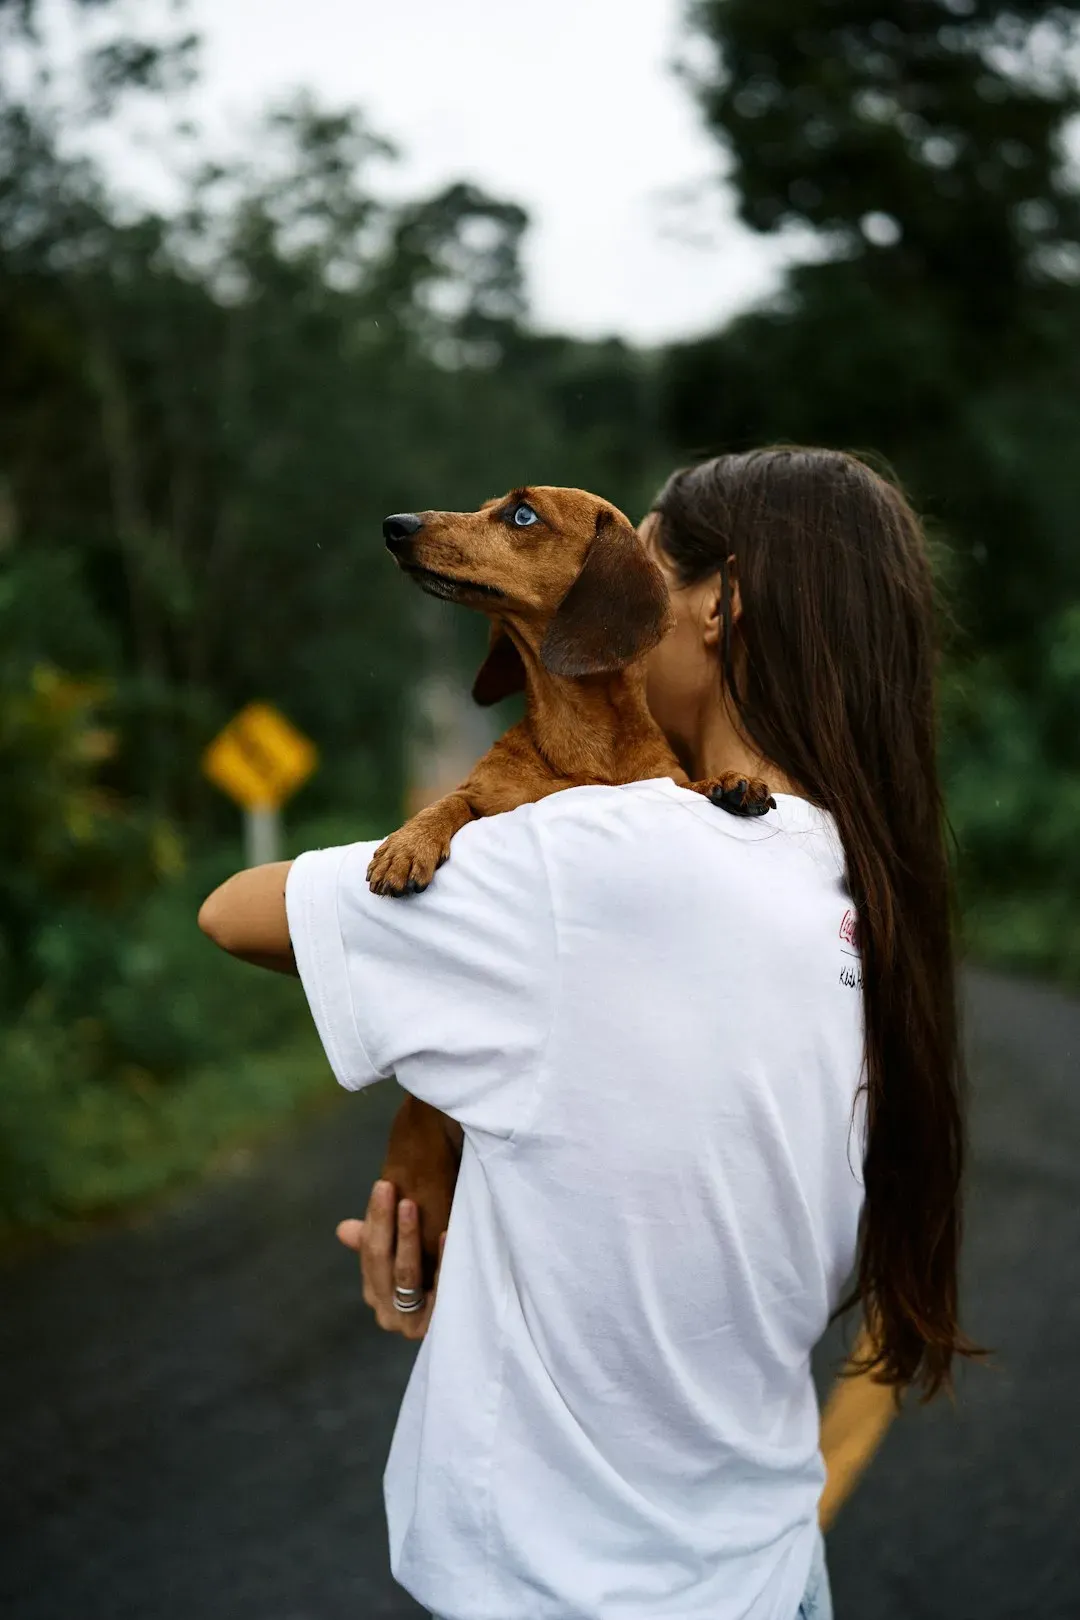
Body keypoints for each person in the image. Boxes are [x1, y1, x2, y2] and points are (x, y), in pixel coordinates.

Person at [199, 448, 987, 1620]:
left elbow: (237, 912)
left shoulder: (604, 864)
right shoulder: (855, 888)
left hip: (562, 1586)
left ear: (719, 604)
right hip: (766, 1572)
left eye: (655, 559)